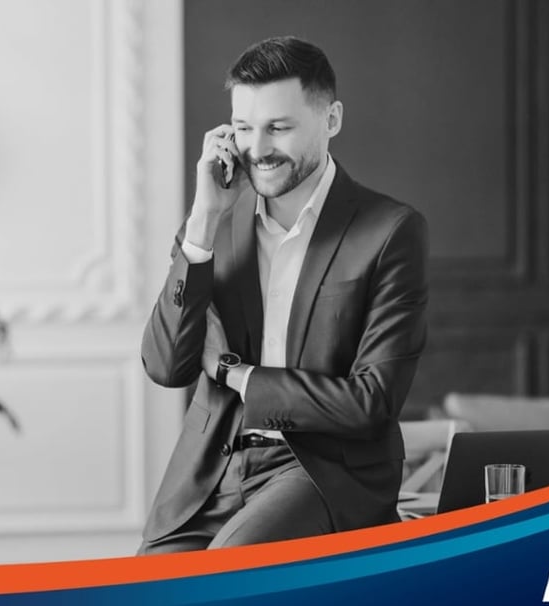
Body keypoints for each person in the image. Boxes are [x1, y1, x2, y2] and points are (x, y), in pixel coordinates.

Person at [138, 36, 428, 554]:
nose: (258, 147)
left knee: (222, 580)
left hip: (319, 473)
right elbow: (166, 367)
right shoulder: (216, 223)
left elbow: (372, 402)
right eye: (244, 127)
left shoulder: (389, 231)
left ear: (331, 119)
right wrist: (202, 222)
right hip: (210, 475)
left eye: (279, 127)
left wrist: (236, 374)